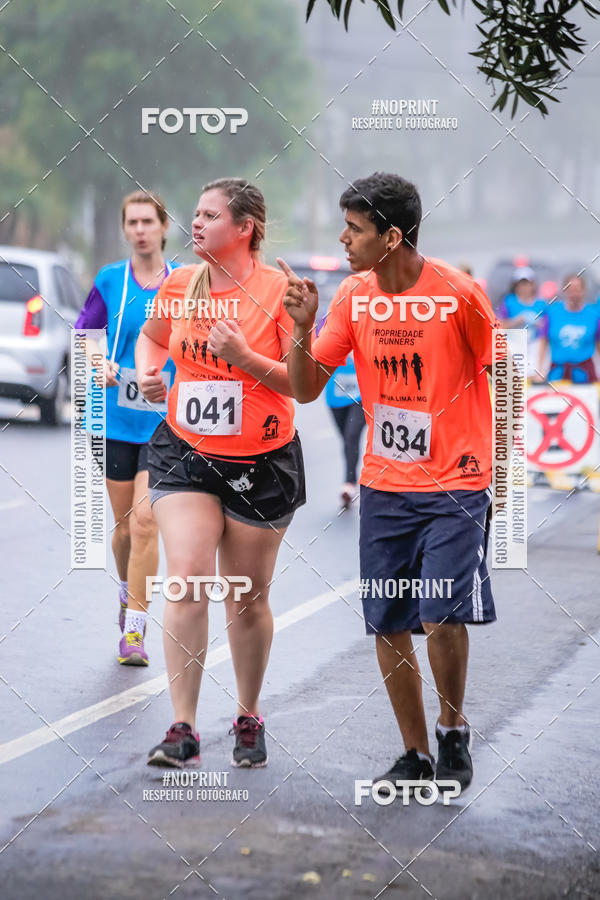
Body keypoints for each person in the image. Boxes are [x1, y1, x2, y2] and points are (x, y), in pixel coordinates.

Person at [279, 172, 498, 795]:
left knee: (441, 612)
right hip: (383, 485)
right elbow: (304, 387)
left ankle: (453, 727)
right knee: (388, 619)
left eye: (355, 229)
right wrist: (302, 325)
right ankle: (414, 753)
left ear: (392, 236)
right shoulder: (352, 297)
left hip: (457, 482)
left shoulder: (459, 295)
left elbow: (503, 378)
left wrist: (501, 474)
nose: (343, 240)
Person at [135, 177, 305, 769]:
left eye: (209, 215)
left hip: (262, 461)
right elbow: (151, 339)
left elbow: (300, 386)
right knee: (184, 577)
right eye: (196, 213)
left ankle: (249, 715)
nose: (196, 224)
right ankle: (182, 726)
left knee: (247, 598)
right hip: (186, 452)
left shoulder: (280, 290)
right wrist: (152, 376)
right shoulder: (181, 283)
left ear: (244, 228)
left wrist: (245, 360)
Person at [75, 190, 178, 666]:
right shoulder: (110, 279)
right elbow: (85, 333)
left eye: (147, 222)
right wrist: (100, 364)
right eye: (131, 222)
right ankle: (125, 589)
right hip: (114, 417)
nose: (139, 230)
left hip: (164, 421)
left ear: (163, 227)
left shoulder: (184, 283)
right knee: (122, 531)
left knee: (145, 522)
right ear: (125, 229)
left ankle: (134, 634)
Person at [535, 274, 600, 383]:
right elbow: (543, 342)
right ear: (565, 291)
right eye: (571, 290)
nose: (574, 294)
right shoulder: (552, 312)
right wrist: (540, 370)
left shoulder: (594, 315)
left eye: (577, 290)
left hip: (584, 373)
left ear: (584, 291)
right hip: (558, 373)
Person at [324, 350, 365, 508]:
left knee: (351, 435)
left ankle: (349, 483)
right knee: (347, 441)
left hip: (361, 393)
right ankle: (351, 479)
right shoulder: (322, 325)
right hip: (335, 393)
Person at [497, 267, 546, 377]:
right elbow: (499, 326)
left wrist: (539, 323)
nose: (524, 287)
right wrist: (517, 320)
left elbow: (546, 330)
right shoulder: (508, 301)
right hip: (514, 345)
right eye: (521, 284)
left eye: (527, 283)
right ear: (515, 285)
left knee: (535, 375)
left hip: (535, 345)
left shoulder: (541, 303)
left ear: (533, 284)